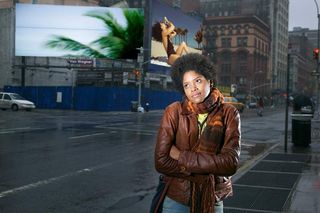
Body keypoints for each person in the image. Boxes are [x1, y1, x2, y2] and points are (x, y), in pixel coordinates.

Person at [154, 53, 241, 213]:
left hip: (213, 198)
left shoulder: (229, 113)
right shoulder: (174, 111)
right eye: (186, 85)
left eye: (198, 81)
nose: (193, 88)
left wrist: (181, 156)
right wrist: (207, 172)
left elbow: (230, 164)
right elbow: (161, 161)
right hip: (177, 198)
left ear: (210, 80)